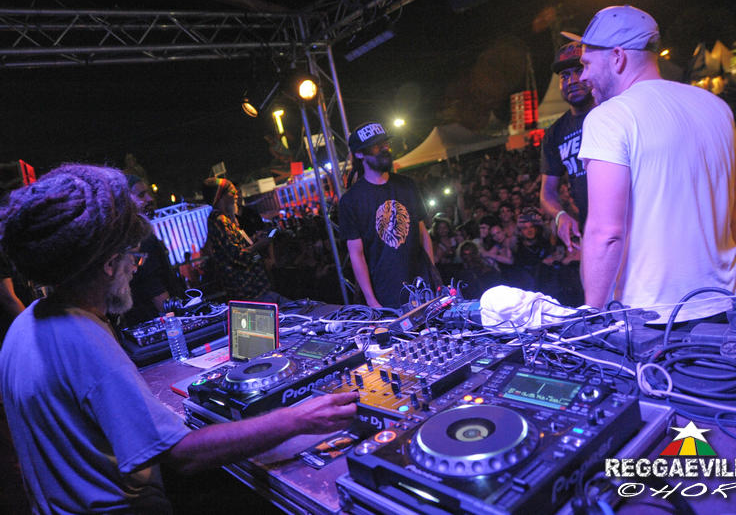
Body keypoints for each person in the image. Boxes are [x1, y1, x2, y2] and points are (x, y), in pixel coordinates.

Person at [0, 164, 357, 512]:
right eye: (132, 259)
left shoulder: (24, 325)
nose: (133, 269)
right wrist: (296, 418)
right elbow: (183, 454)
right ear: (109, 264)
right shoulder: (82, 338)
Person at [564, 5, 736, 323]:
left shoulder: (610, 117)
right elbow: (734, 211)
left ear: (617, 57)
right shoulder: (717, 107)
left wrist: (591, 317)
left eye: (587, 64)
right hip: (732, 308)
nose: (584, 77)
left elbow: (605, 233)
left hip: (655, 320)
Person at [339, 122, 437, 307]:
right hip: (385, 293)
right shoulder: (351, 201)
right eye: (377, 146)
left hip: (421, 285)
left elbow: (423, 233)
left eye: (386, 144)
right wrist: (371, 300)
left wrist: (432, 275)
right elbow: (356, 254)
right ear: (360, 154)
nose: (385, 149)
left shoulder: (407, 185)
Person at [540, 41, 595, 252]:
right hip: (590, 232)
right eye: (564, 76)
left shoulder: (614, 112)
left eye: (578, 71)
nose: (572, 80)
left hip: (635, 224)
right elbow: (547, 193)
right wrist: (560, 215)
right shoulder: (555, 133)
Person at [201, 177, 285, 304]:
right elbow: (238, 257)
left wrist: (255, 241)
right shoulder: (220, 221)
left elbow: (238, 250)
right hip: (250, 291)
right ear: (221, 196)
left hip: (254, 289)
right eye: (232, 192)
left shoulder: (225, 219)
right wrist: (260, 244)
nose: (236, 195)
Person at [123, 174, 182, 326]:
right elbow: (156, 290)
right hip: (160, 322)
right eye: (141, 195)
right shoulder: (142, 239)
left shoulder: (127, 239)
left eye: (148, 193)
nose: (150, 199)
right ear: (126, 202)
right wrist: (177, 322)